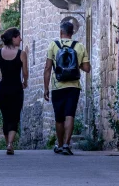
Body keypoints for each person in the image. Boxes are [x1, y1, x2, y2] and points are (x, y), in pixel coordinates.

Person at [44, 21, 91, 155]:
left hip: (57, 86)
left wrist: (46, 88)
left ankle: (59, 144)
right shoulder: (80, 46)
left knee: (59, 117)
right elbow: (87, 68)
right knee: (70, 114)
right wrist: (78, 65)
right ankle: (66, 144)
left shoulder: (53, 45)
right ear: (72, 33)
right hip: (73, 86)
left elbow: (47, 68)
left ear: (61, 32)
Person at [0, 27, 28, 155]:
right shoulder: (21, 53)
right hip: (16, 88)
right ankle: (10, 144)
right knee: (15, 117)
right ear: (13, 38)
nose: (20, 39)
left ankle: (8, 144)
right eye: (19, 36)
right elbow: (25, 72)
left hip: (3, 89)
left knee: (6, 117)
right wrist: (25, 82)